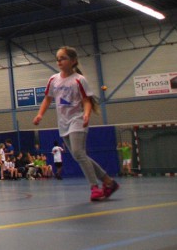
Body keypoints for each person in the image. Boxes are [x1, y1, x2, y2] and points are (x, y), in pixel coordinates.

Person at [34, 46, 119, 201]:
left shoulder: (79, 80)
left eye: (63, 58)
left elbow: (87, 100)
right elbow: (47, 99)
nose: (59, 61)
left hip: (77, 119)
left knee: (79, 153)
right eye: (58, 58)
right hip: (63, 122)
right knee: (79, 156)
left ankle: (95, 187)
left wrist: (86, 114)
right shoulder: (53, 80)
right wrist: (40, 114)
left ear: (73, 61)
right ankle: (109, 182)